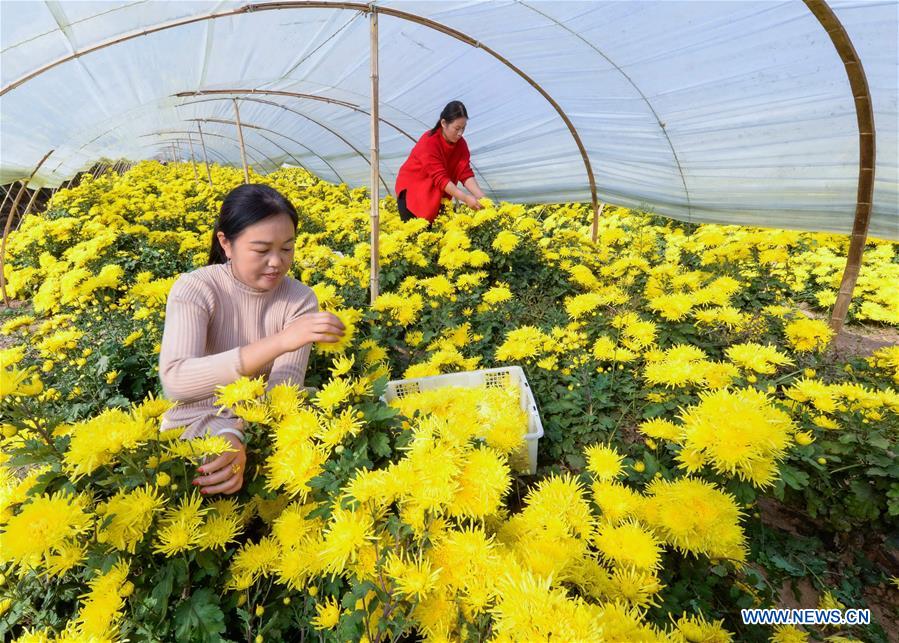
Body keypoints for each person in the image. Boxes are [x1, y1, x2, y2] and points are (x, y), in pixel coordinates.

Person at [158, 184, 345, 495]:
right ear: (226, 243)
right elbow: (177, 382)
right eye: (261, 250)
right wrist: (280, 342)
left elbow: (283, 393)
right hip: (191, 427)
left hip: (261, 427)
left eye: (287, 248)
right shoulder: (196, 288)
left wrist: (236, 432)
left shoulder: (300, 299)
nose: (277, 262)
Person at [395, 100, 487, 224]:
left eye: (463, 128)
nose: (460, 133)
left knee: (438, 233)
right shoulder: (429, 142)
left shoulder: (461, 144)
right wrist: (465, 198)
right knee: (416, 233)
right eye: (457, 128)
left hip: (436, 196)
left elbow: (464, 172)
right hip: (414, 195)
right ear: (443, 123)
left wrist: (482, 197)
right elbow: (441, 178)